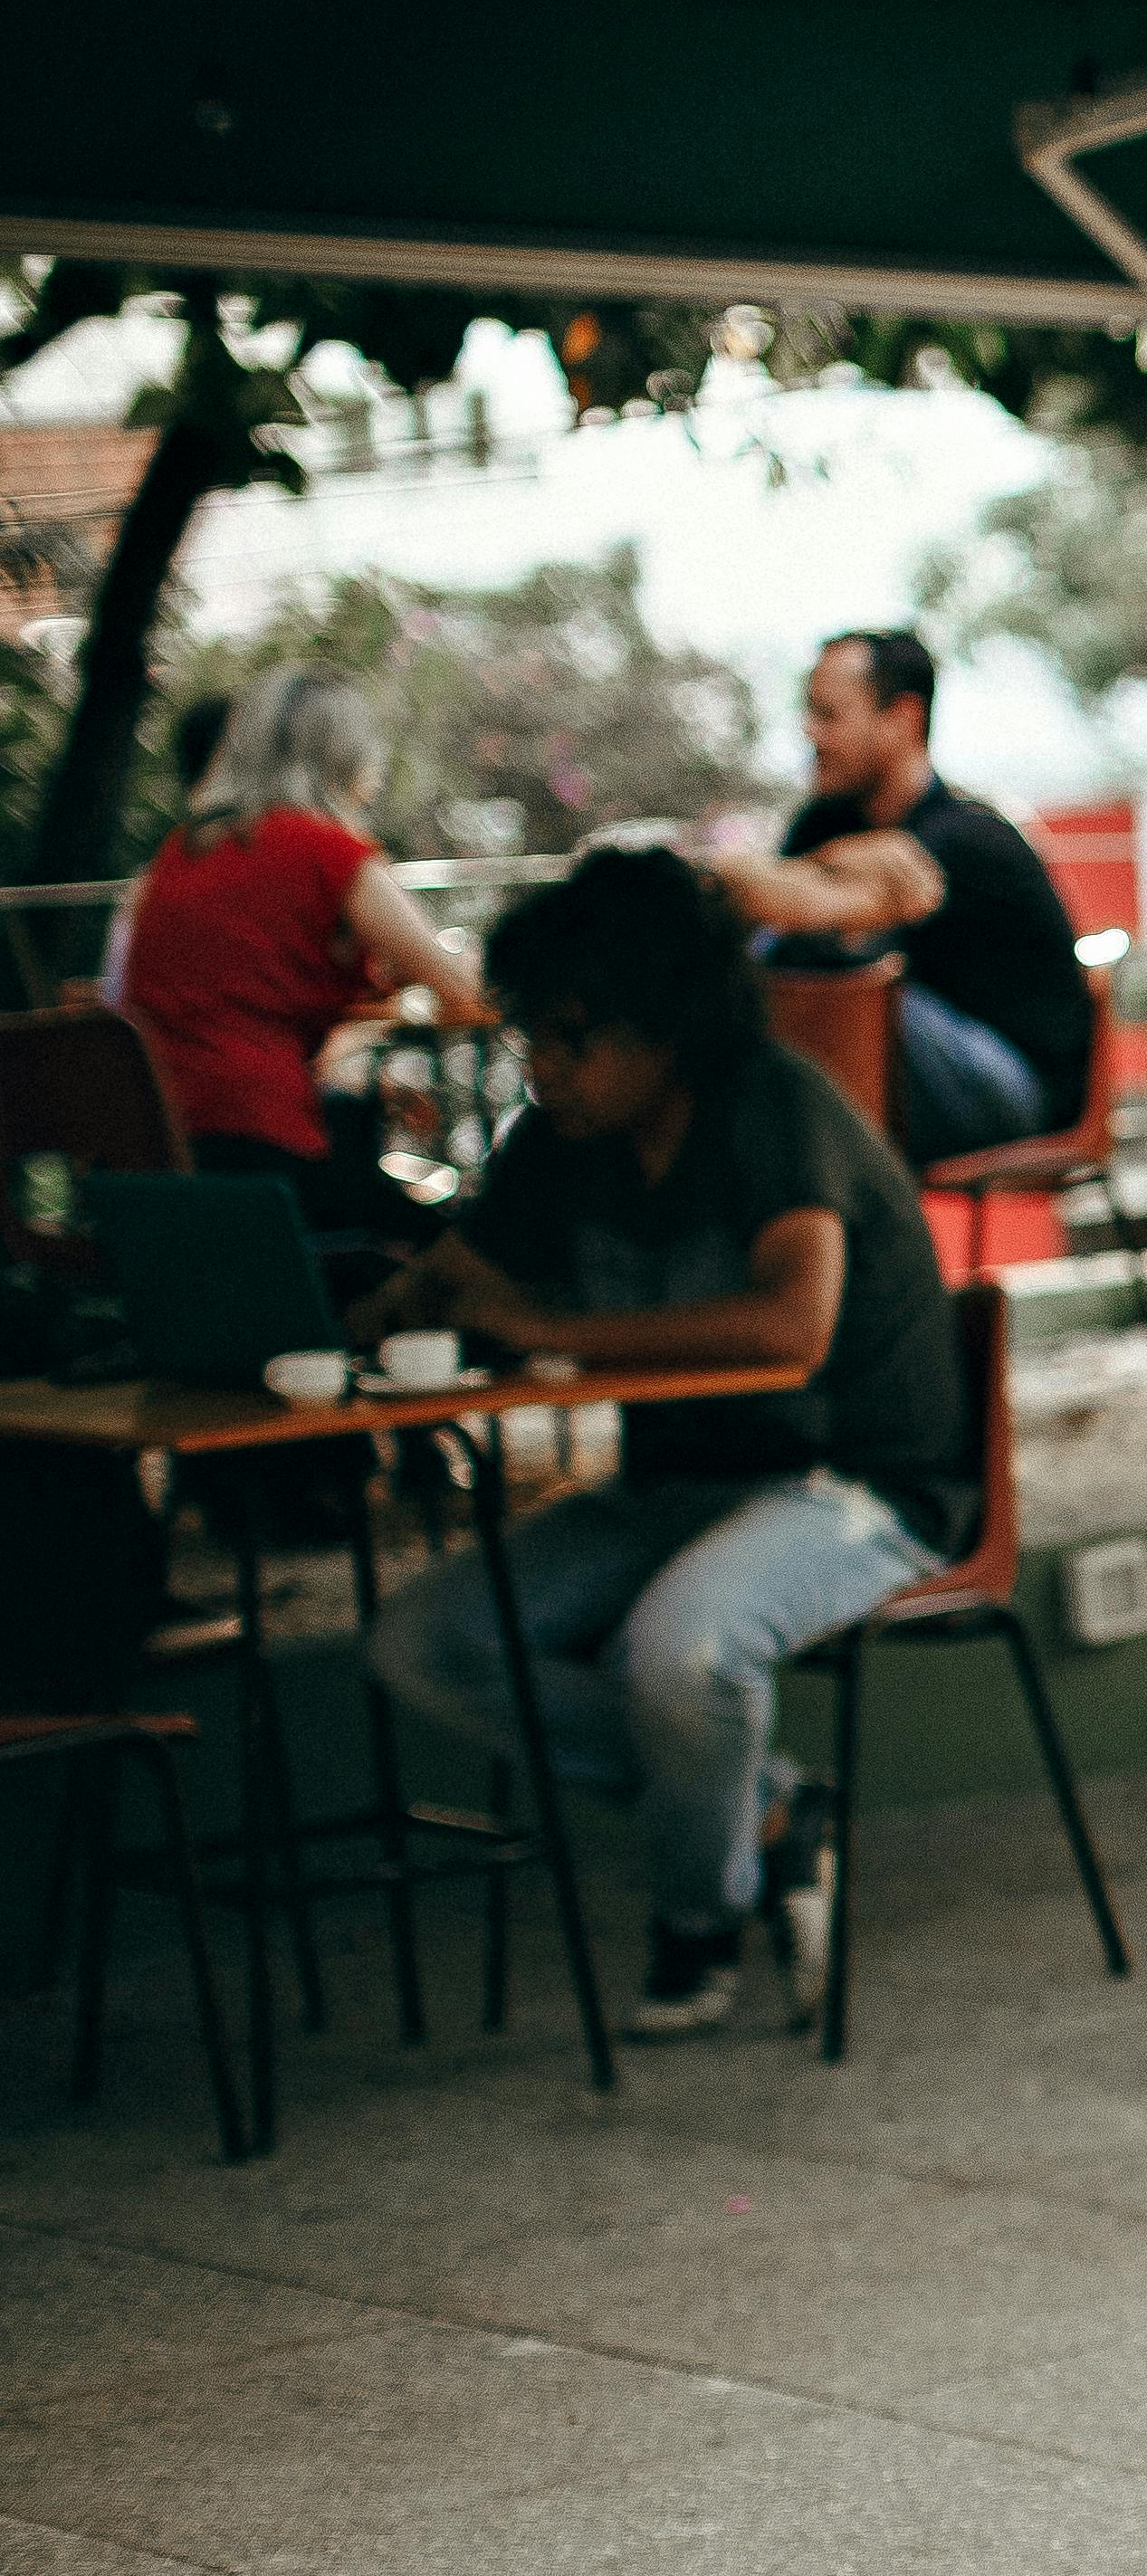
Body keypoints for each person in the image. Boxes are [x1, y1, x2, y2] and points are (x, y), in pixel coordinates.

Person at [359, 847, 971, 2038]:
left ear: (668, 1026)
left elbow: (793, 1325)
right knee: (424, 1644)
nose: (544, 1069)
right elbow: (453, 1278)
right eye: (532, 1036)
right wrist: (373, 1310)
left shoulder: (774, 1109)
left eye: (574, 1040)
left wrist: (552, 1330)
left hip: (856, 1478)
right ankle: (773, 1814)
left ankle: (700, 1916)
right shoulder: (560, 1138)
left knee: (683, 1655)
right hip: (673, 1487)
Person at [104, 670, 489, 1244]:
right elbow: (459, 988)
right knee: (467, 1257)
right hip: (261, 1162)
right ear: (349, 757)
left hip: (155, 1160)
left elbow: (243, 988)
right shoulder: (327, 850)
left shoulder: (178, 855)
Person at [756, 629, 1094, 1162]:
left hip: (1018, 1088)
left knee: (847, 989)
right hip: (902, 1081)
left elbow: (811, 915)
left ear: (904, 718)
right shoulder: (818, 826)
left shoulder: (970, 840)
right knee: (765, 975)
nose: (810, 733)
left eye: (830, 716)